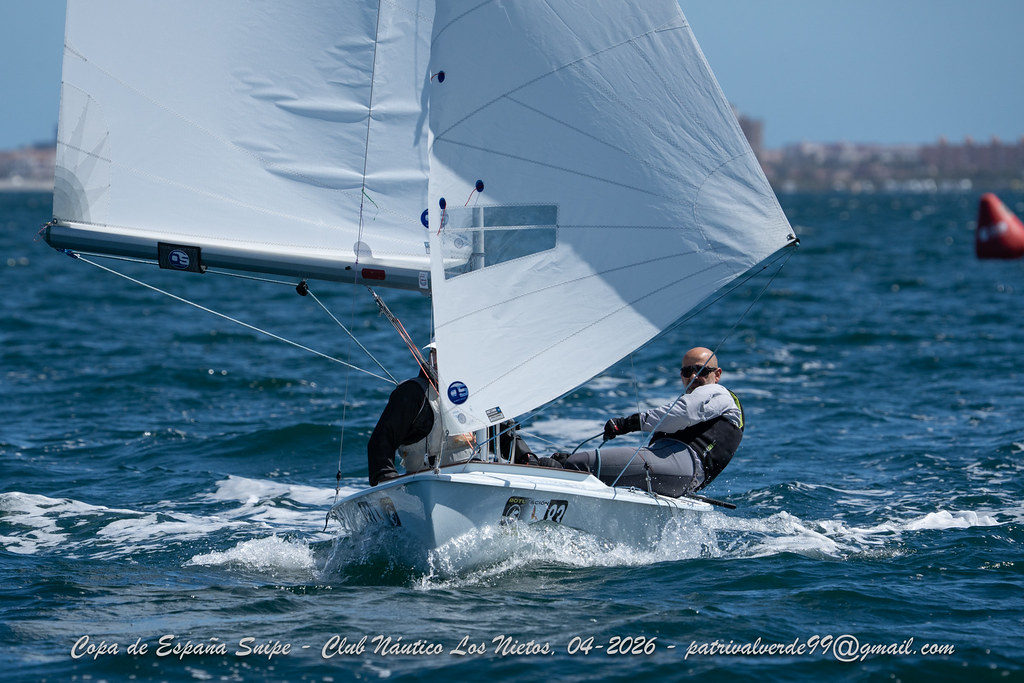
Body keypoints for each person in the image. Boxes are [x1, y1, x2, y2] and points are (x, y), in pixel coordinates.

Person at [556, 347, 744, 497]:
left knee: (578, 464)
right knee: (587, 470)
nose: (693, 376)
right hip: (681, 478)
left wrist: (627, 424)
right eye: (687, 371)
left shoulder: (718, 393)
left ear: (717, 375)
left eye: (701, 370)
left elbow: (683, 413)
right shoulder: (710, 405)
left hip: (678, 466)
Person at [366, 345, 475, 486]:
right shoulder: (412, 393)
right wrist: (386, 481)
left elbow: (498, 436)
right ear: (431, 357)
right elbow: (381, 441)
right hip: (425, 485)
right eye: (435, 352)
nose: (440, 359)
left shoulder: (476, 390)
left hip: (474, 480)